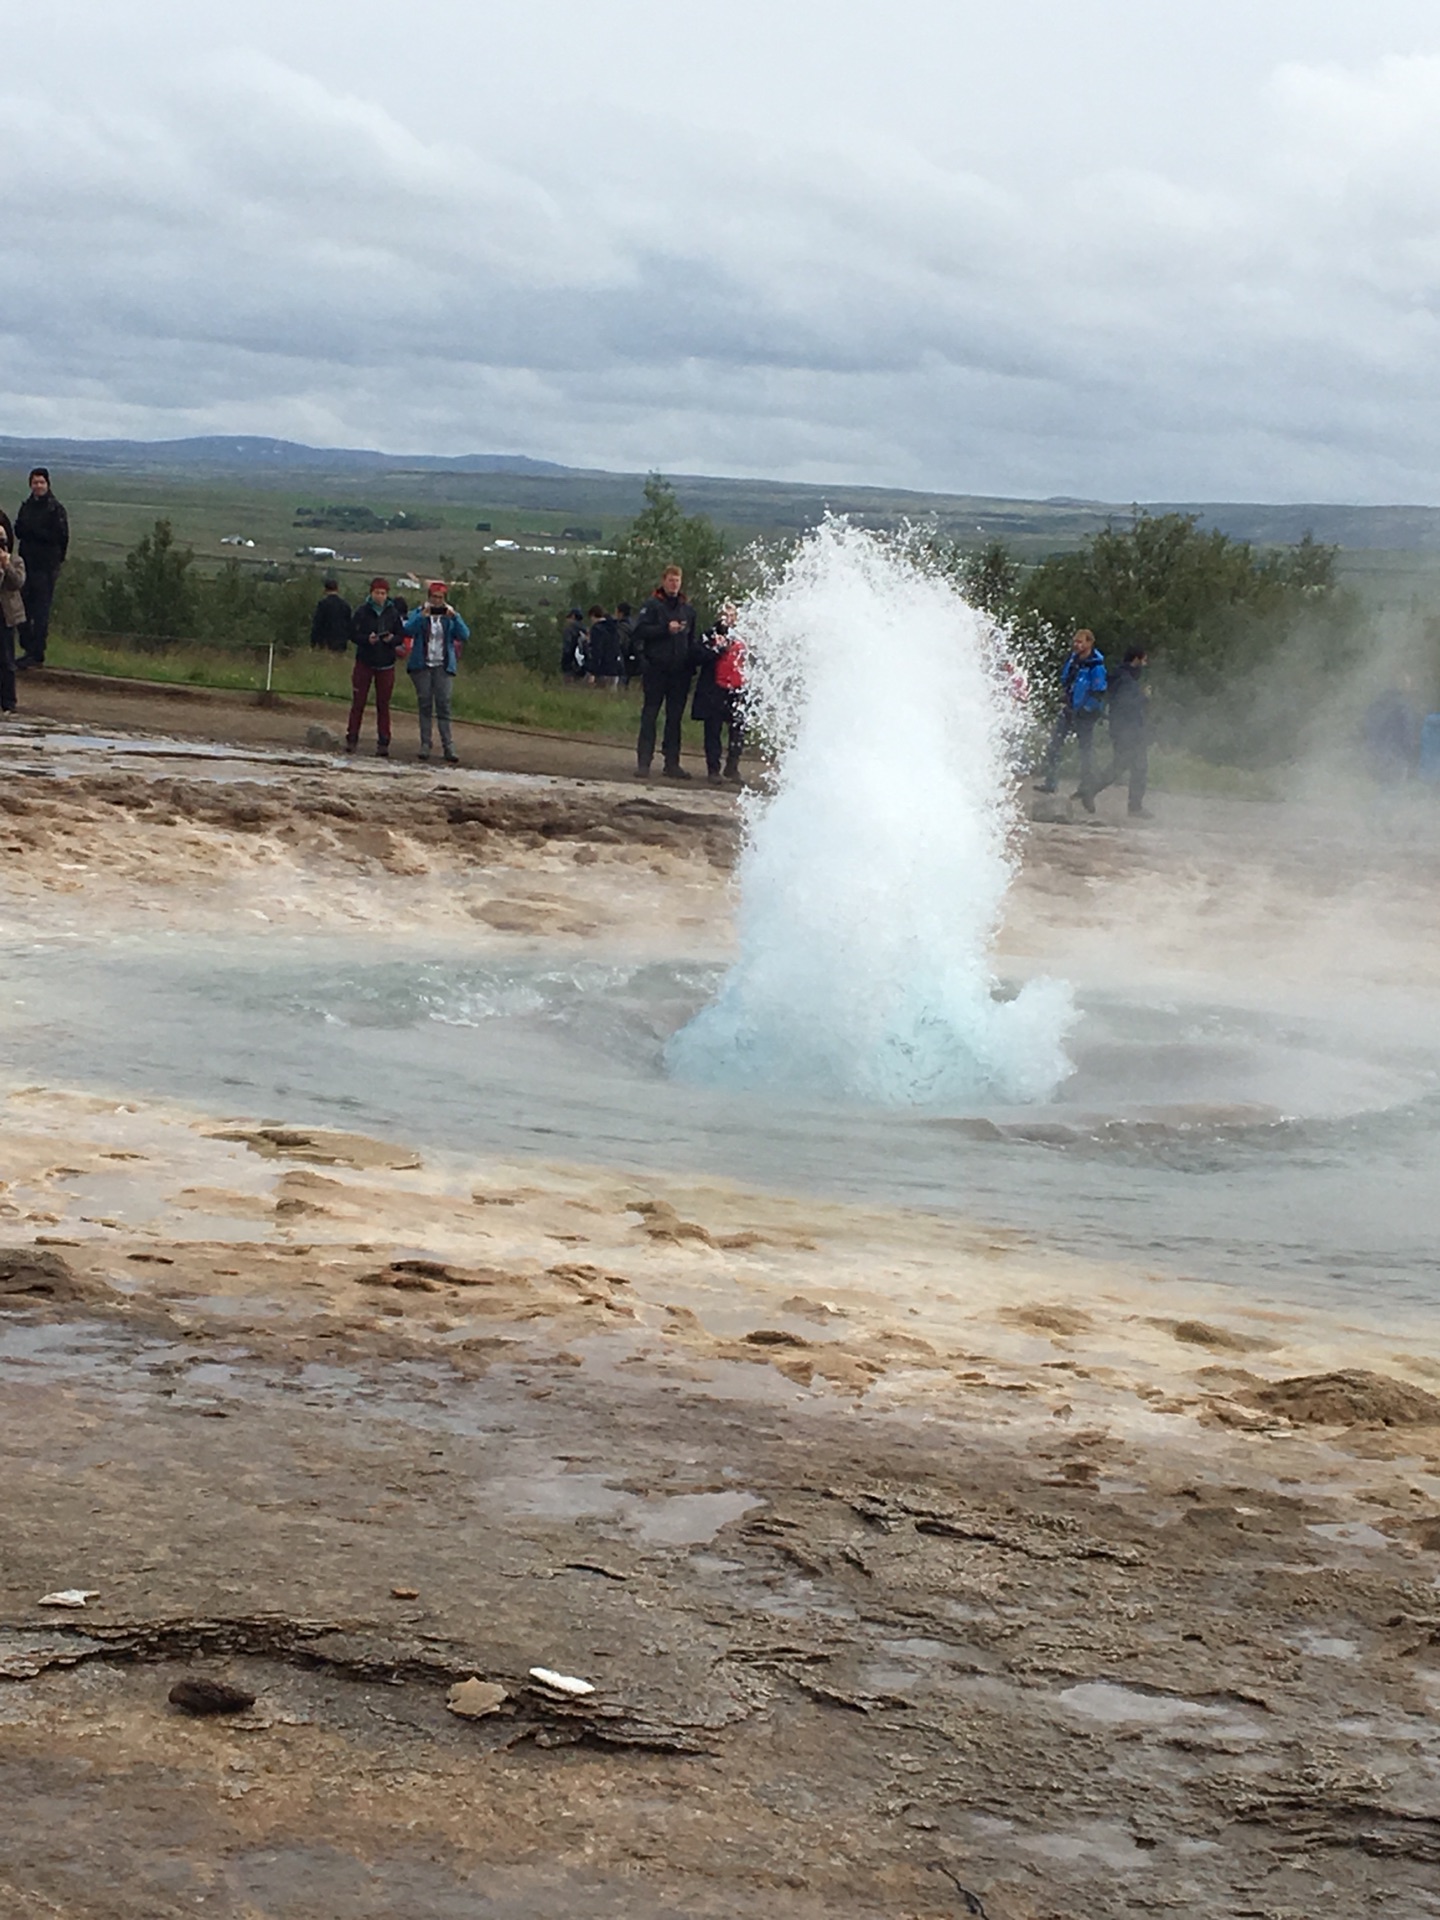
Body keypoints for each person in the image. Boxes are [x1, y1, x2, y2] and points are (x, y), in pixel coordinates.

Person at [631, 564, 698, 779]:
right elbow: (639, 631)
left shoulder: (687, 609)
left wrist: (694, 663)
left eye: (677, 580)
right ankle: (644, 762)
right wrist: (664, 629)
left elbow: (691, 640)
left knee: (675, 718)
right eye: (671, 580)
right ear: (663, 581)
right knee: (650, 714)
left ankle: (672, 763)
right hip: (656, 669)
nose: (674, 584)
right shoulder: (652, 606)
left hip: (679, 673)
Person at [1034, 629, 1106, 803]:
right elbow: (1065, 681)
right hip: (1069, 709)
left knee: (1086, 751)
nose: (1076, 645)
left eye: (1080, 642)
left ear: (1090, 643)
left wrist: (1086, 709)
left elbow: (1099, 692)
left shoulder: (1096, 667)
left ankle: (1086, 788)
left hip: (1085, 714)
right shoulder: (1074, 661)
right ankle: (1050, 782)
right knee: (1054, 744)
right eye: (1075, 641)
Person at [403, 580, 469, 764]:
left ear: (445, 599)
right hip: (422, 665)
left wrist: (454, 617)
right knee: (424, 704)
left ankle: (448, 746)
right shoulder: (418, 613)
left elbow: (464, 635)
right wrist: (422, 616)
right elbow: (407, 630)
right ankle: (425, 744)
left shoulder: (450, 616)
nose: (437, 601)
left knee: (444, 704)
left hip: (442, 665)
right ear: (429, 598)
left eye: (440, 598)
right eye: (434, 597)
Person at [1086, 646, 1150, 816]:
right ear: (1136, 659)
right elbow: (1126, 704)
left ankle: (1091, 791)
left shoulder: (1120, 676)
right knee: (1132, 766)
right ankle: (1133, 807)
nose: (1145, 664)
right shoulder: (1127, 680)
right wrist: (1144, 697)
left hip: (1122, 728)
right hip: (1128, 730)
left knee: (1127, 766)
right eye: (1144, 660)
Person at [14, 468, 68, 669]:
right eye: (35, 482)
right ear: (31, 485)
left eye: (41, 482)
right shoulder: (26, 507)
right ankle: (28, 647)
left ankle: (37, 654)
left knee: (41, 611)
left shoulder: (55, 509)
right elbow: (19, 530)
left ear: (48, 484)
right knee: (21, 609)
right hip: (26, 564)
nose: (38, 486)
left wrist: (34, 532)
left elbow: (60, 537)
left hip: (46, 567)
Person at [348, 576, 408, 756]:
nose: (380, 596)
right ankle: (352, 737)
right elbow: (352, 634)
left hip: (386, 662)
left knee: (383, 703)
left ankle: (384, 741)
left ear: (387, 595)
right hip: (365, 660)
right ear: (371, 593)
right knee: (358, 701)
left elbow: (401, 635)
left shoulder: (393, 613)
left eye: (383, 593)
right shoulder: (362, 611)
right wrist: (367, 639)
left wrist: (392, 640)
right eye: (377, 593)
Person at [692, 600, 746, 783]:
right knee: (713, 729)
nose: (729, 618)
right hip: (714, 688)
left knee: (738, 729)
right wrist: (717, 650)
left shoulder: (743, 636)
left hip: (737, 689)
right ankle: (713, 769)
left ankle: (732, 766)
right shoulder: (710, 635)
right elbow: (696, 656)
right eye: (725, 614)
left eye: (732, 615)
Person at [0, 527, 26, 716]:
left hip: (5, 616)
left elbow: (16, 583)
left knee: (7, 659)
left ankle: (8, 702)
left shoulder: (16, 561)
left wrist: (6, 565)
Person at [584, 604, 623, 687]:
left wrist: (592, 671)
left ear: (593, 615)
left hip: (602, 668)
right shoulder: (614, 627)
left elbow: (596, 651)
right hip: (615, 668)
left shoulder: (596, 629)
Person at [310, 577, 352, 651]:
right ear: (337, 589)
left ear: (325, 590)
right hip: (341, 641)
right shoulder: (345, 605)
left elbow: (317, 623)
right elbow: (349, 624)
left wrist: (313, 642)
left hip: (325, 641)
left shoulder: (323, 604)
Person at [560, 608, 586, 679]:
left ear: (573, 616)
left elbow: (567, 646)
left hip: (570, 662)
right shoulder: (585, 629)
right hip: (584, 663)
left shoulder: (569, 628)